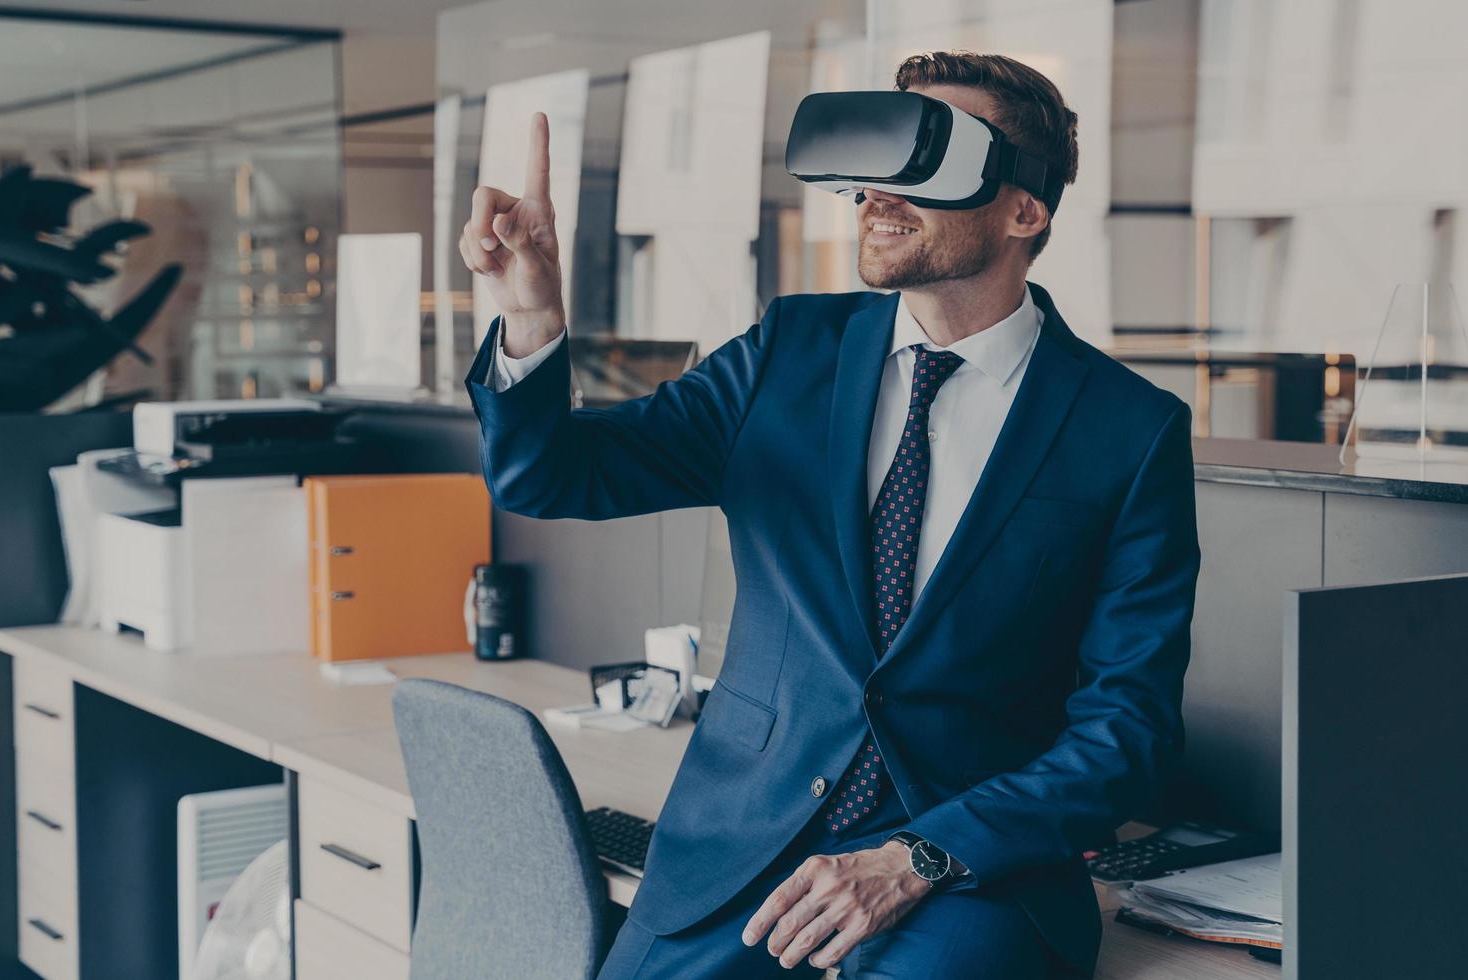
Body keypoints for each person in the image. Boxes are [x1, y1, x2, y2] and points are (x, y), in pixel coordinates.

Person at [459, 51, 1199, 979]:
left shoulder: (1126, 430)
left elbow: (1126, 730)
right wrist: (530, 312)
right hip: (742, 848)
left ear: (1025, 210)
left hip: (964, 876)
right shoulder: (787, 353)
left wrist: (919, 858)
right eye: (876, 165)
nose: (878, 197)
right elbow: (556, 477)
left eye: (925, 164)